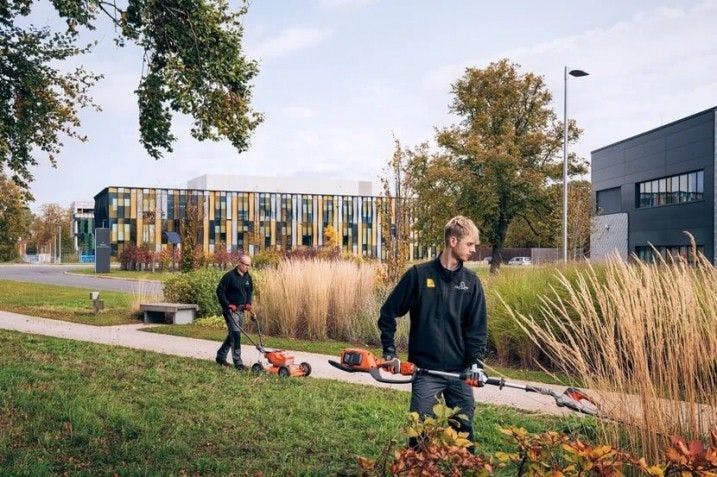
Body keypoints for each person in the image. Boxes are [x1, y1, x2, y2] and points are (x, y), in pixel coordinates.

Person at [378, 216, 488, 444]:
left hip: (459, 373)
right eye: (470, 244)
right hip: (425, 371)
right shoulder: (419, 276)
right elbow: (388, 312)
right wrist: (389, 351)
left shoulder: (471, 282)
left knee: (464, 432)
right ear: (453, 240)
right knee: (419, 435)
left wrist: (475, 364)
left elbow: (477, 329)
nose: (474, 250)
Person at [216, 253, 253, 370]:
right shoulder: (229, 276)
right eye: (245, 265)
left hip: (241, 310)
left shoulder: (248, 277)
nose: (247, 267)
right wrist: (228, 305)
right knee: (236, 335)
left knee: (233, 334)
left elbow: (249, 292)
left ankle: (220, 356)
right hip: (230, 311)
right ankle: (238, 363)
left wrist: (248, 303)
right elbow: (220, 291)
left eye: (249, 265)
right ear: (239, 263)